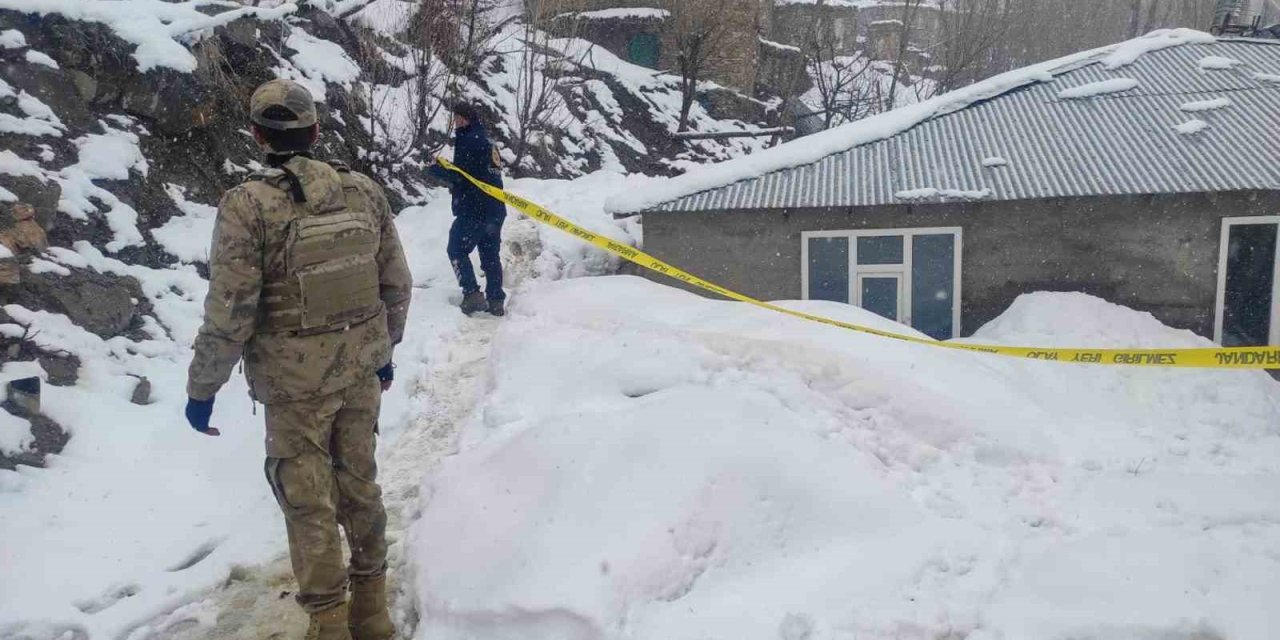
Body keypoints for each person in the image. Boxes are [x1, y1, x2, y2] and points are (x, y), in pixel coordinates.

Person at [184, 79, 412, 640]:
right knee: (360, 485)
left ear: (258, 135)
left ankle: (330, 624)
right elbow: (396, 284)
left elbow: (231, 309)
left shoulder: (247, 206)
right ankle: (373, 613)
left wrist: (202, 389)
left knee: (308, 502)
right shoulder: (363, 193)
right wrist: (383, 353)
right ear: (315, 131)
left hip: (293, 388)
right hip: (361, 373)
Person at [427, 103, 508, 316]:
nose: (455, 122)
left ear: (466, 118)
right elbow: (479, 173)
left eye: (457, 118)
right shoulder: (487, 140)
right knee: (490, 255)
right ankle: (496, 300)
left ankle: (472, 294)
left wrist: (436, 170)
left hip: (474, 209)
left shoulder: (468, 140)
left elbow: (461, 177)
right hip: (495, 209)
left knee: (456, 249)